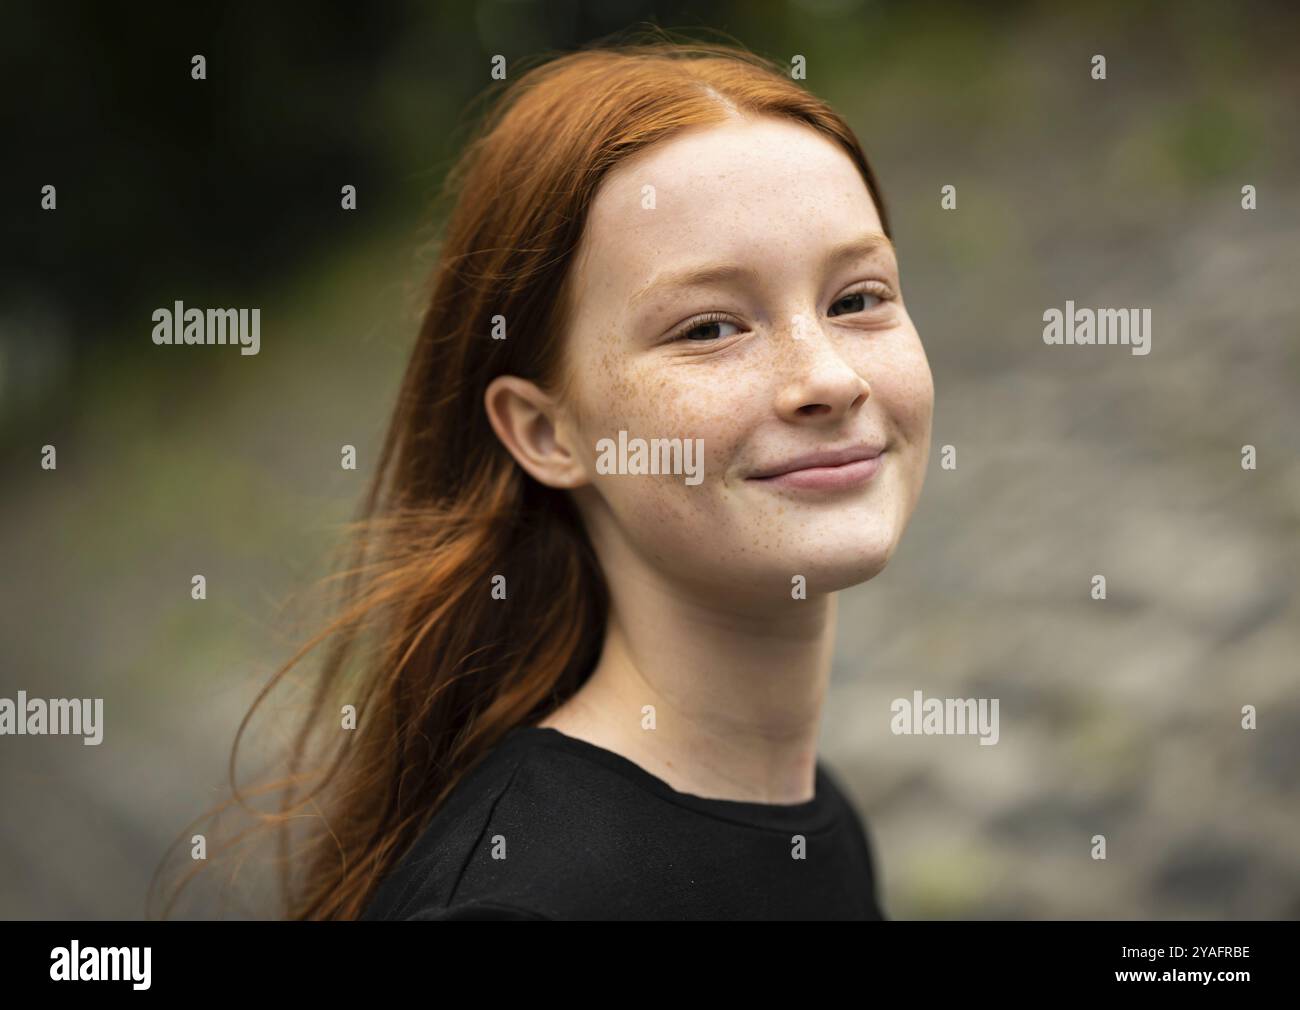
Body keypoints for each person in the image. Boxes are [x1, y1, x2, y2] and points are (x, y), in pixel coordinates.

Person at [182, 33, 934, 921]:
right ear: (544, 433)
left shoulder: (818, 820)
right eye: (708, 328)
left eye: (857, 298)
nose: (829, 379)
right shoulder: (521, 903)